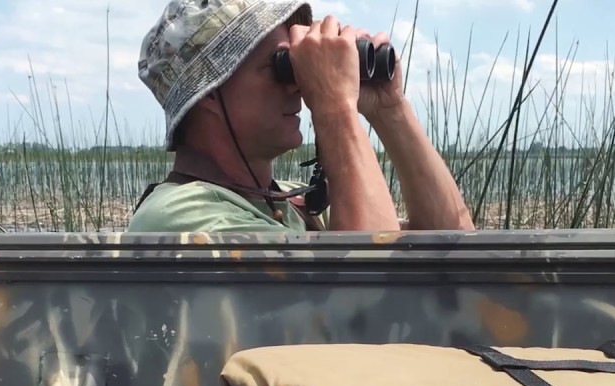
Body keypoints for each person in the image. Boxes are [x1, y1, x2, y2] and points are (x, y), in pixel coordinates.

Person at [128, 0, 475, 234]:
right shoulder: (181, 215)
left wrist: (389, 108)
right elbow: (372, 295)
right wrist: (335, 104)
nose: (299, 87)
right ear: (207, 90)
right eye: (282, 67)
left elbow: (451, 253)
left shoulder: (292, 201)